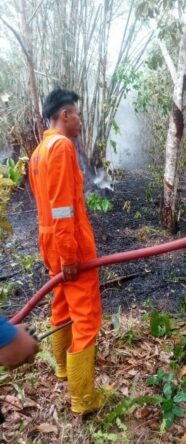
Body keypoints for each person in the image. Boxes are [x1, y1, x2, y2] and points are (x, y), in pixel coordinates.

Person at [29, 88, 104, 414]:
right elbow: (61, 208)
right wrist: (70, 255)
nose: (80, 121)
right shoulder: (60, 148)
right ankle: (84, 399)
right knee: (86, 317)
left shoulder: (39, 151)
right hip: (67, 242)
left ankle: (62, 367)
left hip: (50, 241)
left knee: (61, 303)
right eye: (77, 114)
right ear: (64, 116)